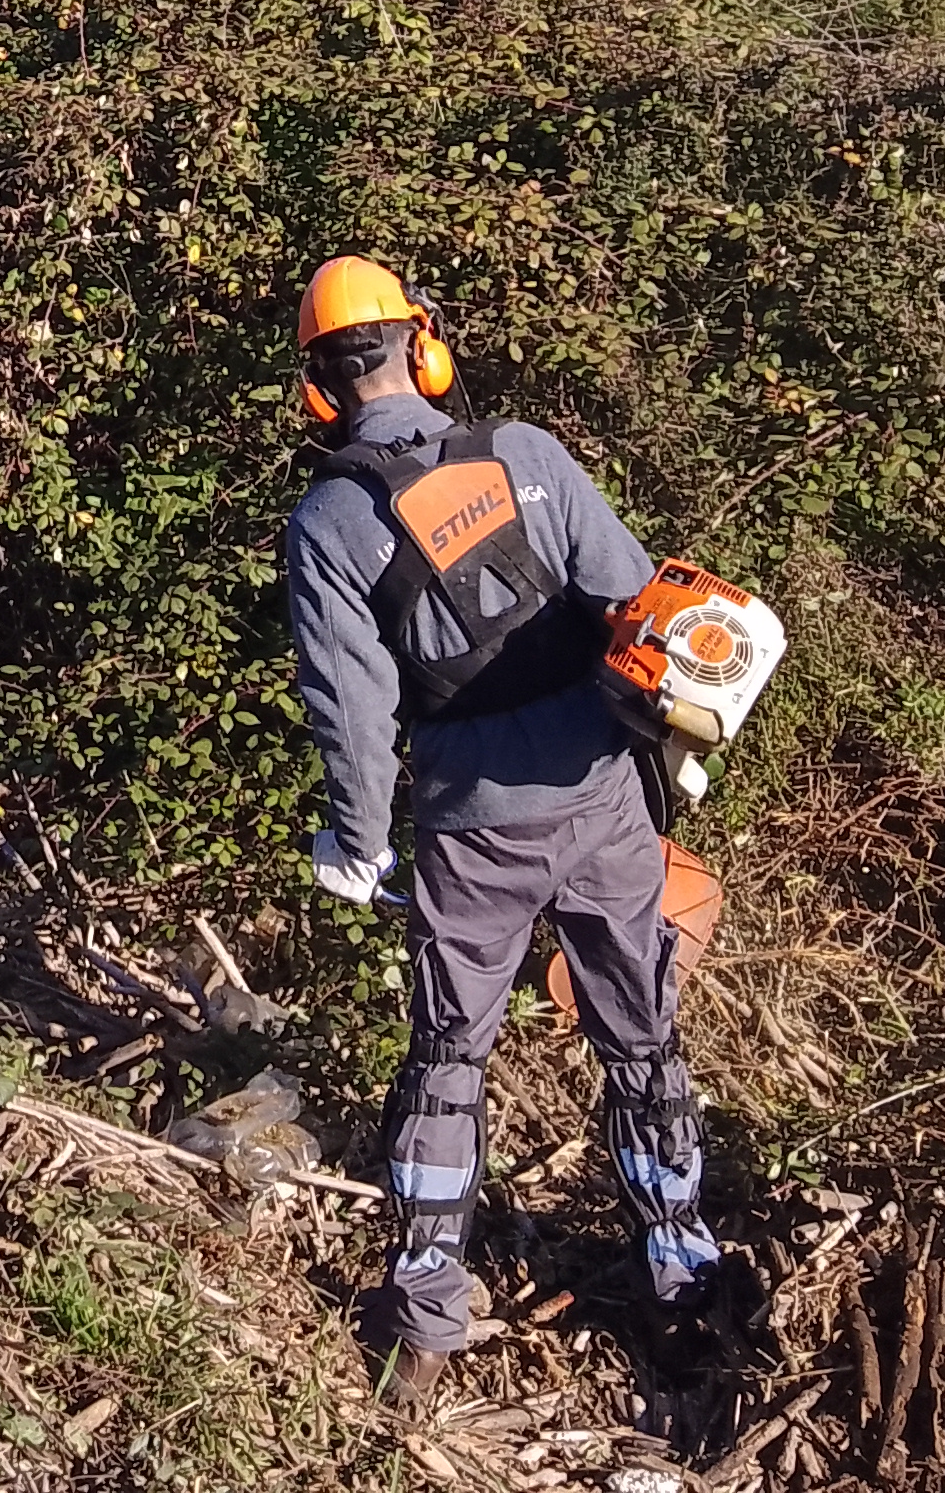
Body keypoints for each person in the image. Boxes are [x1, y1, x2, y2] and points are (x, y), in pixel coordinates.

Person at [280, 255, 725, 1409]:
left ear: (317, 388)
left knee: (444, 1063)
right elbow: (636, 599)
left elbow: (354, 708)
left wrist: (354, 836)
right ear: (421, 346)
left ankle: (422, 1323)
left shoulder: (328, 519)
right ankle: (679, 1284)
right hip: (603, 802)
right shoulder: (525, 454)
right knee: (640, 1044)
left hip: (470, 828)